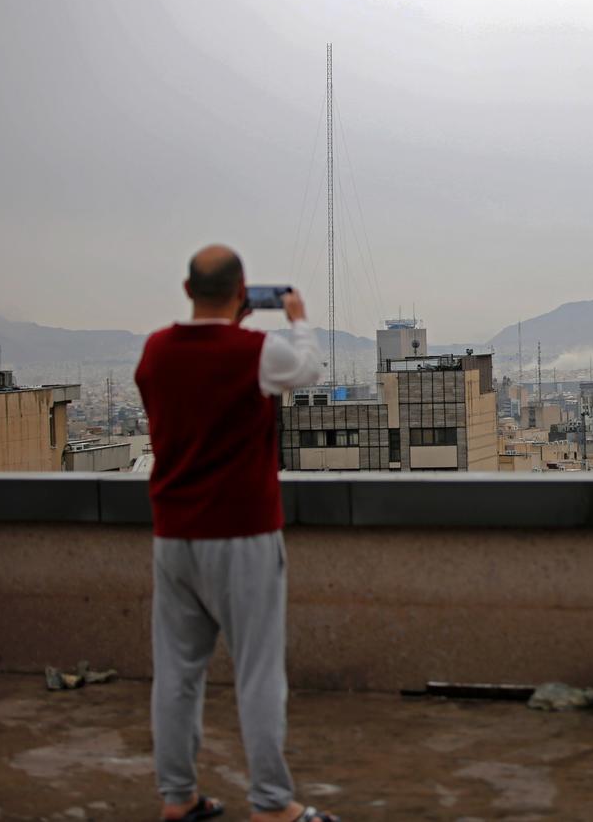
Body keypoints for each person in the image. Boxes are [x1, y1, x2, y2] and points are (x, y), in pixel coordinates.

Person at [135, 245, 339, 822]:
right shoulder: (256, 352)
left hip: (173, 535)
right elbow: (309, 370)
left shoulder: (155, 351)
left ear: (186, 289)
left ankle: (178, 798)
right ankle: (272, 804)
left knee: (176, 674)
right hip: (243, 531)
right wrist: (297, 319)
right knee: (257, 673)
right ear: (244, 291)